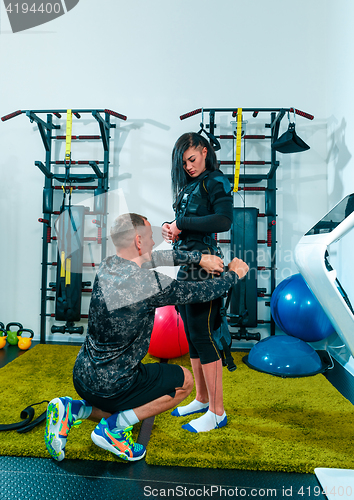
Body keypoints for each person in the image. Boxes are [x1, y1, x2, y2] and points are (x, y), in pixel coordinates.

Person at [45, 213, 248, 463]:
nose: (154, 244)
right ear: (138, 241)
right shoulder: (146, 283)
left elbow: (158, 257)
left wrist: (200, 257)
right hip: (113, 386)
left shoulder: (108, 264)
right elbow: (201, 291)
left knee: (119, 402)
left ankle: (73, 409)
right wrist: (235, 274)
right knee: (183, 381)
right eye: (151, 238)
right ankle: (113, 430)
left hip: (83, 377)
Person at [162, 132, 234, 434]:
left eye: (192, 159)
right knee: (192, 335)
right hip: (188, 264)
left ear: (204, 151)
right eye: (184, 163)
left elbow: (223, 221)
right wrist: (170, 227)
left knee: (204, 336)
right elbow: (186, 222)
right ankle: (202, 399)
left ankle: (217, 413)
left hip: (206, 265)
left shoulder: (215, 181)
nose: (189, 166)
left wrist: (183, 224)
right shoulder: (190, 186)